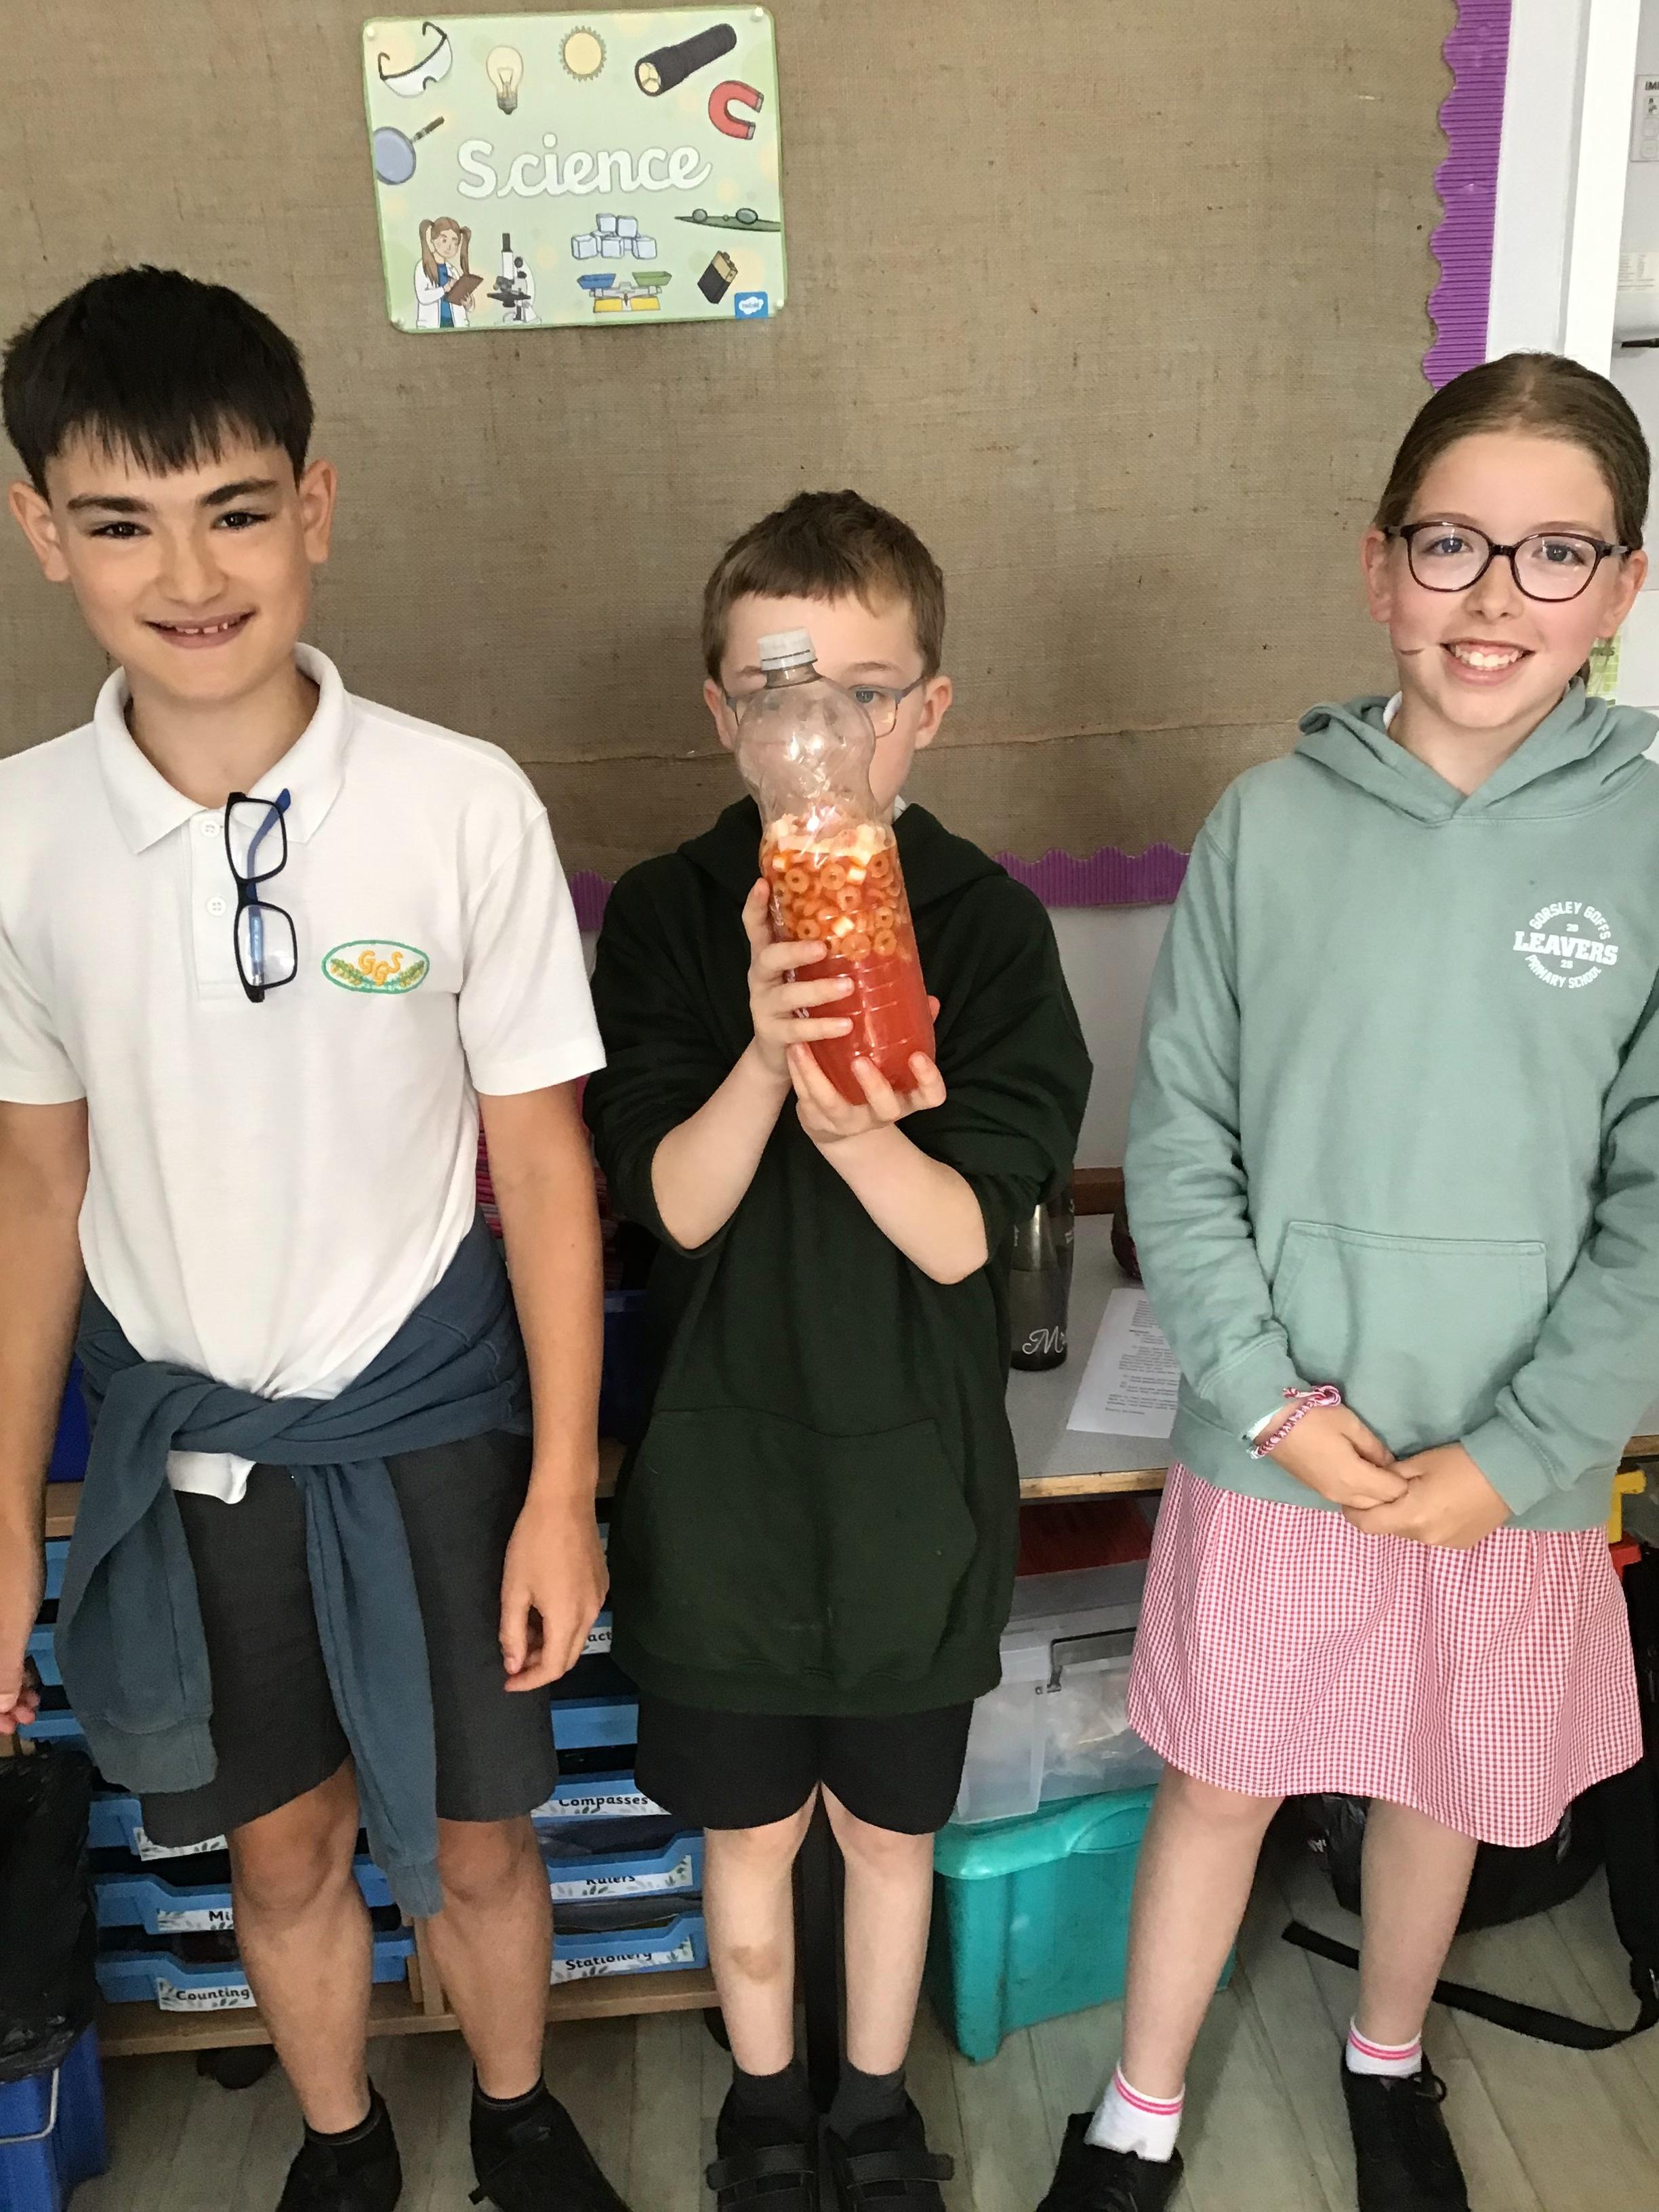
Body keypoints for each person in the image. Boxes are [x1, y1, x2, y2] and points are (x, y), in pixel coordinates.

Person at [0, 267, 625, 2212]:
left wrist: (560, 1492)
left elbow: (546, 1167)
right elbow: (36, 1193)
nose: (189, 575)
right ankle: (342, 2145)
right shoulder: (19, 836)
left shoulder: (458, 803)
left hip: (435, 1429)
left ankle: (517, 2119)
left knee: (480, 1844)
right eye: (120, 522)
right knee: (279, 1852)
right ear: (42, 533)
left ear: (317, 507)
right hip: (194, 1446)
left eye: (236, 510)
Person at [1038, 352, 1658, 2212]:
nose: (1494, 595)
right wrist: (1275, 1404)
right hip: (1276, 1442)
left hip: (1508, 1468)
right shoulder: (1266, 826)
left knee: (1437, 1785)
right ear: (1377, 563)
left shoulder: (1645, 842)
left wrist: (1517, 1451)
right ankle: (1139, 2109)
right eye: (1451, 542)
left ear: (1620, 586)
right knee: (1220, 1782)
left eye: (1556, 553)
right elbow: (1180, 1151)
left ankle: (1387, 2063)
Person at [583, 490, 1092, 2211]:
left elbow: (958, 1235)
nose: (825, 733)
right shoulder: (669, 912)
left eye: (867, 694)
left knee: (888, 1831)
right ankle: (761, 2109)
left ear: (927, 708)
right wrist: (759, 1045)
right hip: (718, 1485)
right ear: (719, 713)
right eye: (779, 694)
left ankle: (873, 2108)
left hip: (911, 1492)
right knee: (746, 1835)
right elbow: (675, 1202)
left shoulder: (988, 924)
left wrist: (861, 1117)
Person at [415, 218, 475, 329]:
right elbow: (423, 297)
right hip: (432, 326)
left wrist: (468, 304)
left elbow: (468, 306)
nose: (449, 247)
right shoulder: (423, 267)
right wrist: (444, 289)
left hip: (456, 325)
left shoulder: (452, 271)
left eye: (455, 243)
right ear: (433, 240)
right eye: (444, 241)